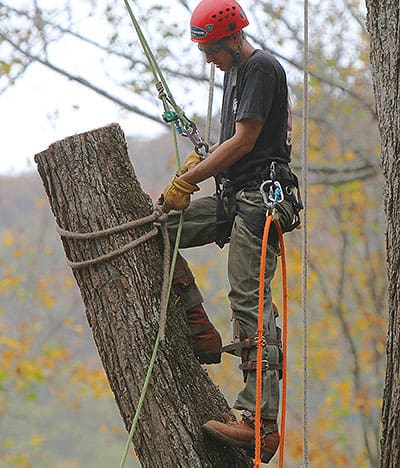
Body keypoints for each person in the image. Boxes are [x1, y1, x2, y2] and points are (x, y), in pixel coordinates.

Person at [159, 0, 302, 463]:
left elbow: (245, 140)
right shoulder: (234, 72)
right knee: (162, 228)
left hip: (261, 199)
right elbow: (233, 142)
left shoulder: (260, 67)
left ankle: (260, 423)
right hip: (234, 196)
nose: (208, 59)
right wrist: (201, 164)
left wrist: (189, 180)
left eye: (213, 49)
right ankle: (200, 328)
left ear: (234, 38)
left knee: (248, 299)